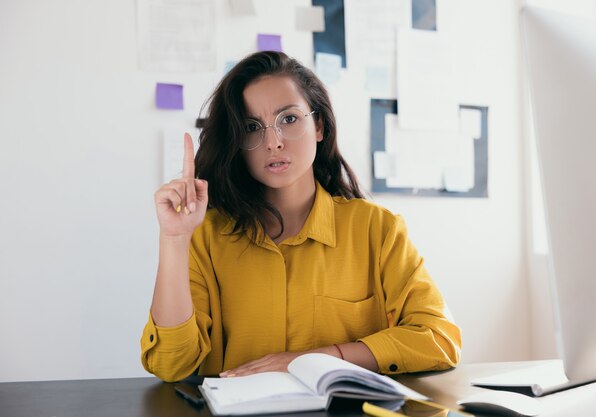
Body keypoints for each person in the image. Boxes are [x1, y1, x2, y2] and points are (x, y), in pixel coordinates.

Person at [140, 51, 461, 383]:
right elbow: (170, 364)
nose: (273, 142)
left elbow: (439, 339)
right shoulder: (206, 235)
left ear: (318, 125)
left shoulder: (378, 229)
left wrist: (316, 359)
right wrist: (175, 240)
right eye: (251, 127)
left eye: (289, 119)